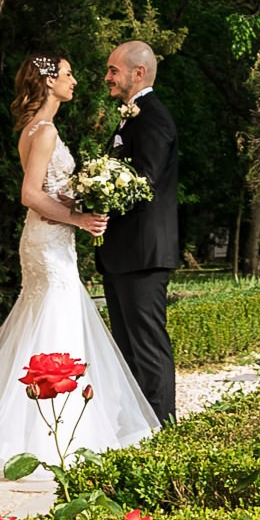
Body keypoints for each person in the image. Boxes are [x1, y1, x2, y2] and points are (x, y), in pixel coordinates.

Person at [0, 52, 161, 475]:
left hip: (49, 239)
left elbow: (48, 191)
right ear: (49, 82)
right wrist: (79, 219)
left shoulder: (34, 129)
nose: (74, 81)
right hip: (49, 243)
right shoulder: (44, 131)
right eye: (67, 74)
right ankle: (52, 441)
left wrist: (77, 199)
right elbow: (30, 194)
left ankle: (37, 434)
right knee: (57, 324)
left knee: (42, 326)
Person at [96, 40, 180, 426]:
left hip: (143, 253)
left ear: (139, 73)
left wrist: (99, 195)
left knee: (147, 347)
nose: (108, 77)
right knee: (127, 349)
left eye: (114, 70)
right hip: (123, 253)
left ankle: (160, 428)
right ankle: (134, 428)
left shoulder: (154, 117)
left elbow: (144, 181)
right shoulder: (132, 117)